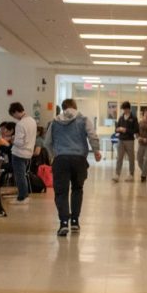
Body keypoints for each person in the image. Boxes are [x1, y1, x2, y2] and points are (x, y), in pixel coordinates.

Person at [44, 98, 101, 236]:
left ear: (63, 108)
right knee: (77, 189)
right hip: (79, 160)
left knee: (61, 192)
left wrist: (54, 156)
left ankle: (64, 223)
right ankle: (75, 221)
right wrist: (96, 150)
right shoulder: (83, 119)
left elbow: (47, 142)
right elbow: (92, 136)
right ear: (75, 107)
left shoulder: (55, 122)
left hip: (61, 159)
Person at [8, 102, 38, 202]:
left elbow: (19, 142)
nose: (15, 118)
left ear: (16, 112)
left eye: (13, 115)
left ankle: (22, 196)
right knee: (23, 174)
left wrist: (13, 140)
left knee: (19, 175)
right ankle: (24, 194)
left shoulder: (20, 124)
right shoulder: (32, 121)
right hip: (28, 153)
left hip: (19, 153)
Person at [112, 101, 138, 182]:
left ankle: (131, 174)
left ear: (129, 108)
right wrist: (118, 129)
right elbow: (116, 129)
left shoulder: (134, 118)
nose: (124, 111)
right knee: (119, 158)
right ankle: (117, 174)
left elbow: (136, 130)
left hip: (129, 140)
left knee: (131, 158)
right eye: (123, 109)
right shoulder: (121, 117)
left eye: (125, 109)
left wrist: (126, 130)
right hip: (121, 140)